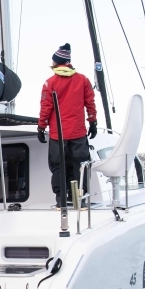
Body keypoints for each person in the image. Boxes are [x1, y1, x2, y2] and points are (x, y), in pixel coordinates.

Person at [37, 43, 97, 208]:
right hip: (78, 132)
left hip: (58, 134)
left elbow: (46, 107)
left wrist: (41, 127)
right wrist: (93, 122)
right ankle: (81, 199)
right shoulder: (83, 80)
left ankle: (61, 199)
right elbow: (90, 103)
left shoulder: (50, 83)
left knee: (58, 166)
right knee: (81, 165)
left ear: (56, 62)